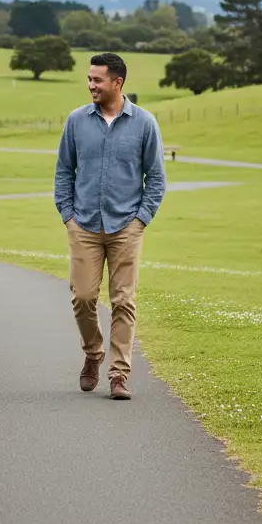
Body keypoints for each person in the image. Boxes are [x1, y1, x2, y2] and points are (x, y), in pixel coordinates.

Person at [54, 52, 166, 400]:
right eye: (89, 79)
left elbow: (156, 178)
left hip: (126, 227)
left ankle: (119, 375)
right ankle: (93, 353)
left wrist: (140, 220)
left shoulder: (144, 123)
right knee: (83, 297)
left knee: (123, 301)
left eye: (97, 80)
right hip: (84, 225)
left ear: (117, 82)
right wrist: (68, 216)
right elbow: (64, 172)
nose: (91, 85)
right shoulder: (76, 121)